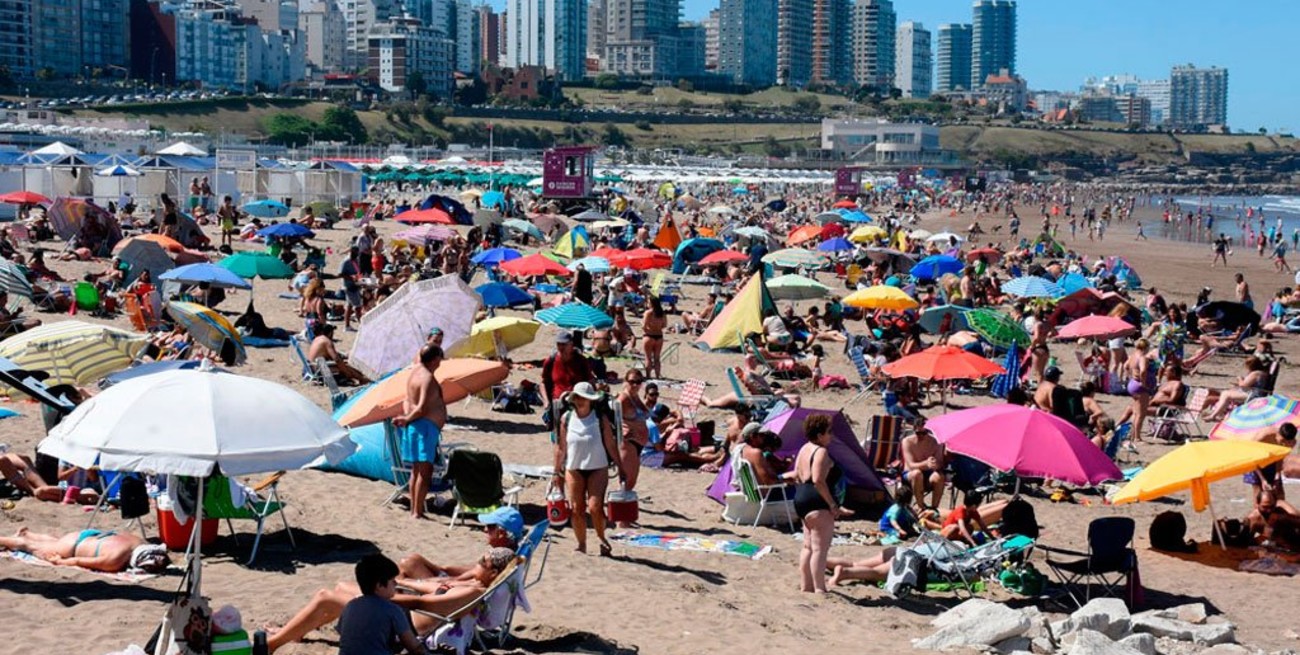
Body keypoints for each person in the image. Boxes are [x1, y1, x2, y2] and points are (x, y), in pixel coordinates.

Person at [267, 547, 513, 653]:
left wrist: (389, 595)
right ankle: (297, 632)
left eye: (481, 563)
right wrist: (406, 583)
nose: (475, 564)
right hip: (404, 612)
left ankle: (273, 644)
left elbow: (422, 604)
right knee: (341, 587)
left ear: (493, 573)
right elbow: (433, 587)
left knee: (326, 596)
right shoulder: (472, 585)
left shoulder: (472, 593)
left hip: (402, 623)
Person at [552, 382, 620, 556]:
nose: (580, 400)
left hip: (598, 467)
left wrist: (620, 466)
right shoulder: (566, 418)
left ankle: (601, 538)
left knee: (595, 507)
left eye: (584, 397)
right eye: (578, 397)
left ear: (591, 400)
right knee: (576, 509)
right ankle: (581, 544)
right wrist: (556, 472)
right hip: (574, 468)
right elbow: (561, 448)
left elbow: (610, 444)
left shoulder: (600, 418)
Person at [793, 414, 851, 593]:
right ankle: (819, 588)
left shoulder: (804, 449)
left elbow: (796, 474)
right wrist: (832, 504)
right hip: (817, 501)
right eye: (829, 432)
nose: (831, 435)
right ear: (819, 435)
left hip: (801, 498)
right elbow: (818, 480)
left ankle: (806, 586)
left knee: (808, 546)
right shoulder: (821, 452)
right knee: (820, 549)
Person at [398, 507, 522, 586]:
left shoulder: (498, 563)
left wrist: (416, 582)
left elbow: (462, 583)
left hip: (451, 595)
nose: (485, 529)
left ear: (501, 534)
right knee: (413, 559)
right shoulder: (505, 557)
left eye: (490, 526)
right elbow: (473, 570)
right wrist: (441, 569)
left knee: (407, 564)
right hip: (454, 583)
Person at [393, 344, 447, 520]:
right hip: (424, 427)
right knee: (425, 471)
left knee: (416, 470)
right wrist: (406, 419)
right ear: (435, 359)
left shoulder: (414, 372)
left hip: (416, 426)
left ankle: (414, 510)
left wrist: (407, 418)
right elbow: (422, 407)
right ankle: (417, 512)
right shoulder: (427, 378)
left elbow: (407, 401)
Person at [335, 554, 428, 655]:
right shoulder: (393, 610)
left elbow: (346, 635)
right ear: (379, 585)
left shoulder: (350, 605)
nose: (396, 584)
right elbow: (414, 647)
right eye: (392, 581)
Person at [0, 527, 168, 573]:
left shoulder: (137, 541)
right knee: (27, 546)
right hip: (73, 547)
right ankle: (14, 539)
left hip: (88, 536)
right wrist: (59, 561)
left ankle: (29, 534)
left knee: (55, 542)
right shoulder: (115, 561)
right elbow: (79, 561)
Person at [541, 331, 594, 423]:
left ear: (571, 344)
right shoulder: (550, 361)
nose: (561, 347)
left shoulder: (581, 360)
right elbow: (543, 383)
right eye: (559, 344)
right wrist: (546, 401)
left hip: (577, 402)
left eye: (564, 344)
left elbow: (590, 381)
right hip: (558, 403)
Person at [617, 369, 650, 504]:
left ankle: (623, 505)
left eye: (639, 382)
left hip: (638, 442)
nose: (635, 385)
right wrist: (621, 432)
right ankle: (621, 508)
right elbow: (611, 419)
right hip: (629, 442)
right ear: (626, 381)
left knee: (631, 481)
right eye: (632, 382)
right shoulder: (623, 399)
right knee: (627, 480)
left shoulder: (635, 397)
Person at [901, 423, 947, 511]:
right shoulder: (907, 441)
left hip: (928, 473)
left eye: (924, 433)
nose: (921, 436)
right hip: (910, 474)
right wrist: (925, 463)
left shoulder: (936, 442)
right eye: (918, 433)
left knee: (939, 477)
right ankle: (921, 507)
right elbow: (911, 465)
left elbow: (940, 463)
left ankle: (934, 508)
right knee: (917, 474)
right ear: (914, 431)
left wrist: (935, 464)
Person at [1125, 339, 1156, 442]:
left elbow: (1126, 366)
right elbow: (1143, 371)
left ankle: (1133, 434)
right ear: (1146, 347)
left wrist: (1130, 376)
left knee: (1136, 412)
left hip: (1132, 383)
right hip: (1140, 387)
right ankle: (1137, 437)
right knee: (1141, 414)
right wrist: (1143, 383)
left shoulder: (1132, 356)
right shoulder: (1143, 358)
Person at [641, 296, 667, 380]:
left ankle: (648, 376)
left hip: (649, 335)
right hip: (659, 336)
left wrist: (648, 328)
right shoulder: (662, 313)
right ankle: (657, 376)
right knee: (657, 358)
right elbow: (664, 325)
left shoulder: (648, 313)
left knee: (648, 358)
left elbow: (644, 326)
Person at [340, 246, 363, 331]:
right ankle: (362, 325)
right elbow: (341, 274)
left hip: (355, 284)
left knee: (349, 306)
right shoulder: (346, 261)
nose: (356, 254)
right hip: (349, 286)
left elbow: (358, 271)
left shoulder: (356, 260)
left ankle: (347, 326)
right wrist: (351, 277)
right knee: (357, 306)